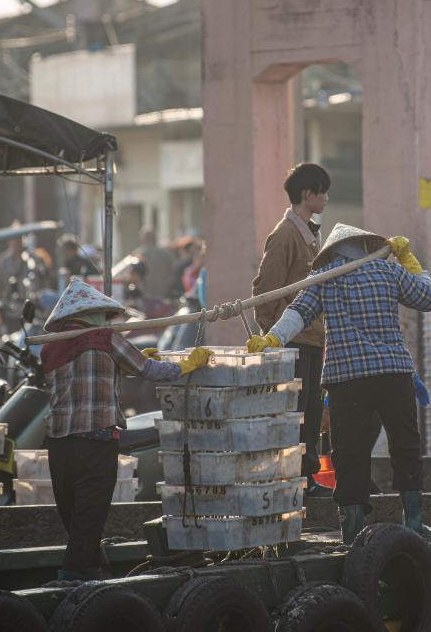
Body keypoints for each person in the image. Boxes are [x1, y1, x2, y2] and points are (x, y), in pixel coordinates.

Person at [247, 225, 431, 543]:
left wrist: (272, 339)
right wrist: (410, 260)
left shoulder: (324, 278)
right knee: (405, 447)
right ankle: (414, 523)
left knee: (349, 456)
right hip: (393, 373)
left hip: (346, 379)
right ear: (364, 246)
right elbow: (429, 298)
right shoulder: (388, 270)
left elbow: (298, 313)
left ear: (332, 252)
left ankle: (352, 533)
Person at [39, 279, 210, 580]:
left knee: (76, 522)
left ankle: (93, 574)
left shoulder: (51, 348)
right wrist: (185, 366)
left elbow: (105, 370)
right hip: (96, 444)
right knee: (87, 523)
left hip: (59, 445)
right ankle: (73, 582)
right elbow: (148, 371)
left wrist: (138, 361)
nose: (107, 321)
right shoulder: (105, 338)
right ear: (92, 314)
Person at [252, 162, 333, 499]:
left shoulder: (310, 235)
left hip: (313, 338)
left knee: (311, 411)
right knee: (296, 412)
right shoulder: (285, 235)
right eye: (322, 192)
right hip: (293, 339)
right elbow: (265, 289)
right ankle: (294, 479)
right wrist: (274, 334)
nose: (326, 199)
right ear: (307, 194)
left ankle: (306, 477)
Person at [133, 227, 174, 300]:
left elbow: (133, 276)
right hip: (163, 295)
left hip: (145, 296)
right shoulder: (166, 255)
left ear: (143, 239)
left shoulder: (139, 254)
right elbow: (171, 275)